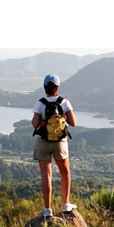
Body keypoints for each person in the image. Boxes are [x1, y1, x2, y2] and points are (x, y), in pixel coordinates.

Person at [32, 74, 77, 218]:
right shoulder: (64, 102)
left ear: (45, 87)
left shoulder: (40, 103)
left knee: (46, 176)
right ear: (57, 87)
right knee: (65, 172)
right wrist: (62, 118)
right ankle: (66, 204)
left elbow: (34, 124)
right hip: (60, 143)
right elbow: (73, 122)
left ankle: (47, 209)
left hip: (43, 142)